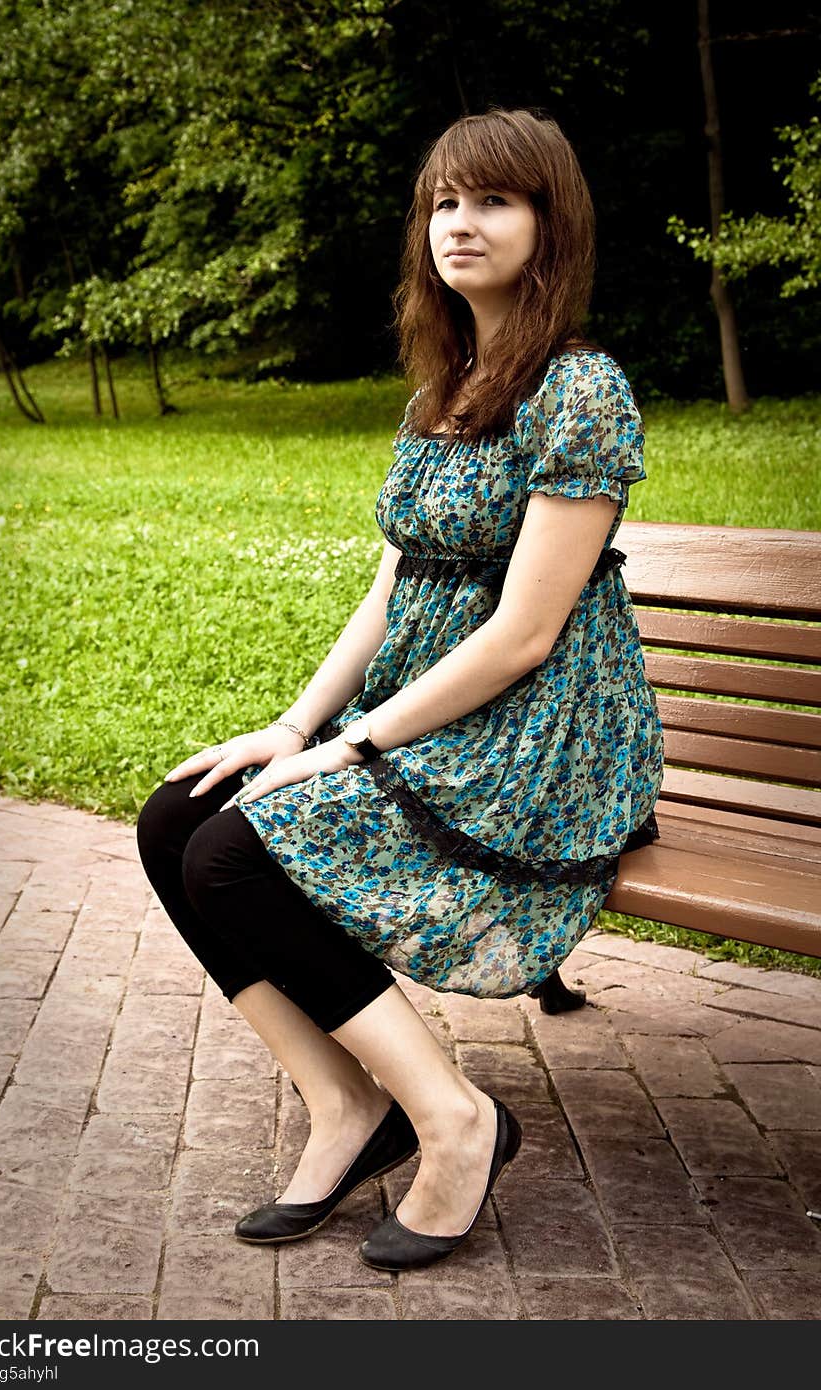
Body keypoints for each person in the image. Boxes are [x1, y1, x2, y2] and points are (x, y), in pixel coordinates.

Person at [137, 106, 664, 1272]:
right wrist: (293, 725)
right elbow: (392, 592)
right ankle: (345, 1105)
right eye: (443, 203)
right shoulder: (443, 390)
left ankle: (454, 1117)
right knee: (177, 814)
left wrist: (355, 747)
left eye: (494, 201)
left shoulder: (578, 389)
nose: (460, 224)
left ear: (550, 223)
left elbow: (526, 635)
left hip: (542, 737)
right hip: (435, 715)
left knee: (234, 852)